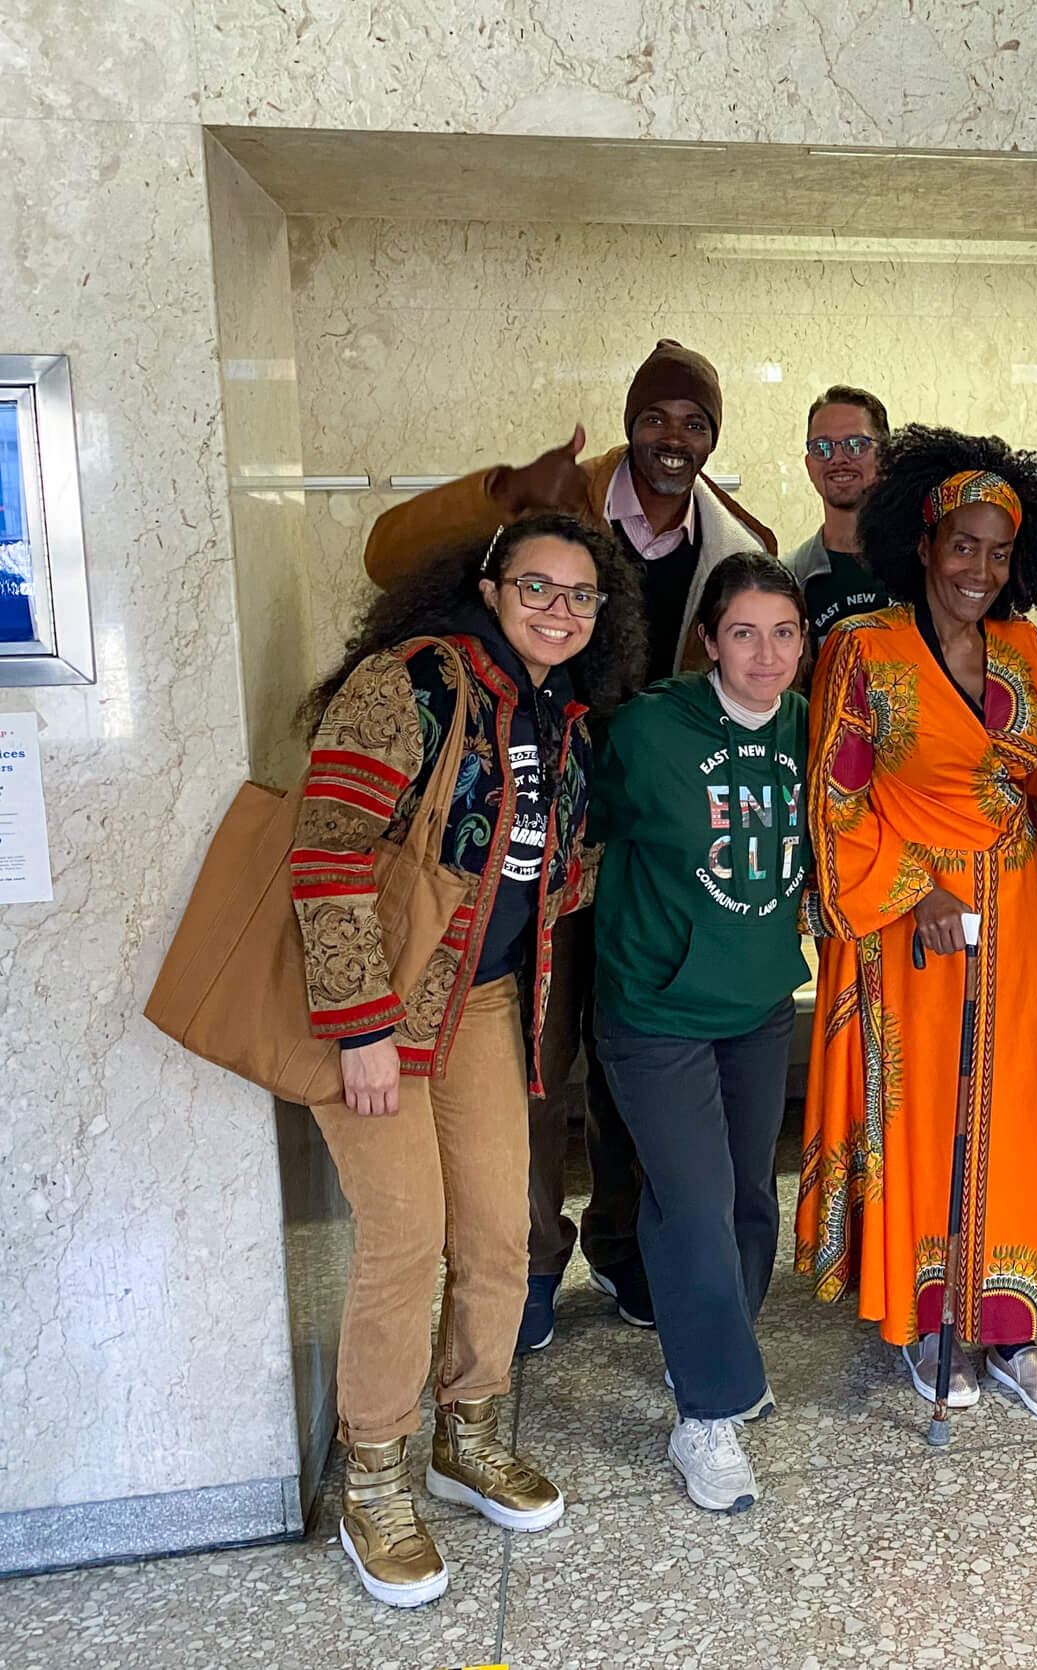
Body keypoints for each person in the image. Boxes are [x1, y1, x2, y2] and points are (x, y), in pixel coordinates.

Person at [363, 339, 779, 1348]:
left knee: (644, 1056)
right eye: (657, 417)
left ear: (712, 436)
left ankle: (627, 1247)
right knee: (538, 1059)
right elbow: (387, 552)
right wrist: (506, 491)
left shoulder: (741, 535)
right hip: (540, 828)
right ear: (630, 422)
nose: (672, 437)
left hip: (657, 848)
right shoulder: (554, 503)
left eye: (693, 421)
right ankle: (537, 1260)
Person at [294, 511, 641, 1606]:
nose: (558, 610)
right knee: (407, 1239)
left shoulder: (562, 713)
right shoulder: (412, 683)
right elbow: (328, 849)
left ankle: (471, 1426)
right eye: (536, 586)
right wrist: (359, 1025)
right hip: (381, 1007)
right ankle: (377, 1472)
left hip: (484, 1003)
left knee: (499, 1228)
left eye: (581, 595)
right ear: (489, 587)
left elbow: (552, 870)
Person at [796, 426, 1037, 1425]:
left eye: (998, 550)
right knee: (927, 1114)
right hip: (907, 928)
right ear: (922, 542)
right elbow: (833, 800)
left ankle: (1007, 1327)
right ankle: (931, 1319)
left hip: (1013, 924)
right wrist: (917, 889)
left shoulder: (1022, 646)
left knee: (1008, 1112)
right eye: (961, 543)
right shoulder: (861, 648)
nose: (979, 566)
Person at [590, 555, 813, 1515]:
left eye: (784, 633)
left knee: (751, 1197)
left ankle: (724, 1354)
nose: (766, 655)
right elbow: (580, 826)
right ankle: (705, 1414)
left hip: (758, 1001)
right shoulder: (650, 730)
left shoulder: (812, 728)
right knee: (692, 1203)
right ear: (709, 641)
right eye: (743, 634)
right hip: (656, 1008)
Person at [786, 385, 894, 638]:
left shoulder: (924, 567)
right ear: (809, 465)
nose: (837, 459)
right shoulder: (791, 579)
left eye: (856, 445)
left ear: (886, 457)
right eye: (822, 447)